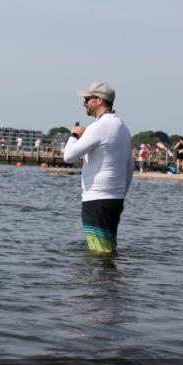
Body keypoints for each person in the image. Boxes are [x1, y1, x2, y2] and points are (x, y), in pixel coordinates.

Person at [63, 82, 134, 255]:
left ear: (100, 100)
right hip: (115, 198)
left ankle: (100, 282)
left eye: (87, 99)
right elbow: (130, 167)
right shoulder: (123, 127)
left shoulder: (98, 127)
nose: (84, 103)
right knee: (108, 250)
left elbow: (68, 157)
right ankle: (111, 281)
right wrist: (121, 195)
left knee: (98, 253)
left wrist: (74, 135)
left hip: (97, 199)